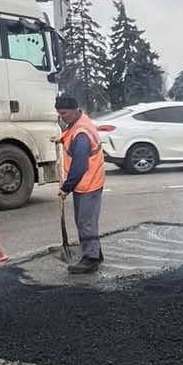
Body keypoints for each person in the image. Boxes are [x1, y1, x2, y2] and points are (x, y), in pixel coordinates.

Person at [56, 93, 105, 275]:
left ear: (76, 110)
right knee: (86, 220)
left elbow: (80, 165)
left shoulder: (81, 133)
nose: (62, 117)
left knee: (85, 222)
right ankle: (96, 253)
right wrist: (60, 139)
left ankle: (90, 259)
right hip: (87, 182)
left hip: (88, 183)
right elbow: (72, 137)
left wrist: (65, 188)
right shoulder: (78, 123)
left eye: (65, 113)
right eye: (59, 114)